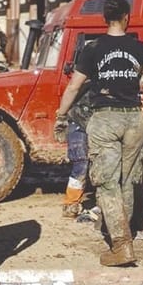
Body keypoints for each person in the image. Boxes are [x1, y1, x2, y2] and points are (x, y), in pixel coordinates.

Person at [55, 0, 143, 267]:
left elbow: (73, 87)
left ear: (104, 19)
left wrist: (61, 116)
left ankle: (121, 245)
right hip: (133, 119)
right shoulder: (139, 48)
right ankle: (122, 233)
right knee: (126, 180)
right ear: (127, 17)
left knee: (107, 183)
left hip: (105, 119)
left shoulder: (93, 48)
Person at [55, 81, 94, 218]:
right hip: (78, 120)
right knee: (80, 163)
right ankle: (71, 203)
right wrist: (62, 117)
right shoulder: (80, 79)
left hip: (98, 123)